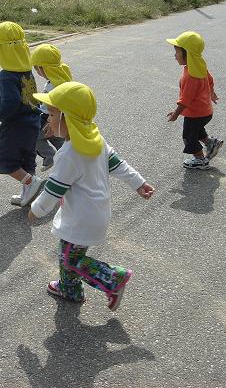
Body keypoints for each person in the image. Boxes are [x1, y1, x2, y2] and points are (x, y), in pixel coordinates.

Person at [28, 81, 155, 311]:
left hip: (80, 219)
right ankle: (70, 289)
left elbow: (54, 190)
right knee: (68, 254)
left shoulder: (69, 154)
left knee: (70, 259)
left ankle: (113, 278)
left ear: (67, 117)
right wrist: (139, 183)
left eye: (52, 113)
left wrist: (35, 210)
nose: (47, 118)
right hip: (94, 213)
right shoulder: (94, 139)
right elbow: (118, 164)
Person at [0, 21, 44, 207]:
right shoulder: (26, 72)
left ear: (0, 50)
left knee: (4, 159)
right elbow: (25, 94)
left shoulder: (6, 75)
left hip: (16, 126)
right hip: (33, 122)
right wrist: (2, 92)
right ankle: (29, 192)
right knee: (27, 159)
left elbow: (10, 105)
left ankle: (30, 182)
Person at [165, 31, 222, 170]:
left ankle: (200, 159)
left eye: (177, 52)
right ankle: (210, 143)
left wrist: (176, 114)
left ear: (187, 54)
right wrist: (212, 93)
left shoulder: (190, 75)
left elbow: (186, 99)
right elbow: (209, 80)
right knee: (196, 129)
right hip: (205, 112)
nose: (174, 55)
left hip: (195, 113)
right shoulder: (199, 65)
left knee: (189, 135)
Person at [32, 43, 73, 172]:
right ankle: (67, 158)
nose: (37, 72)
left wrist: (50, 121)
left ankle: (50, 156)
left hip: (48, 115)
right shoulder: (58, 77)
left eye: (37, 69)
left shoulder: (55, 84)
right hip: (49, 114)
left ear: (44, 68)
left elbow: (57, 105)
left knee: (34, 136)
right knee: (56, 137)